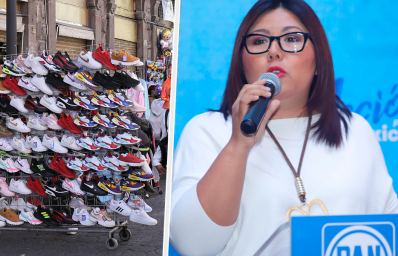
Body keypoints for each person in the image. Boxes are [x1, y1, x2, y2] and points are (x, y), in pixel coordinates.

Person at [169, 0, 398, 255]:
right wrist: (238, 146)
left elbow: (388, 230)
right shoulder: (207, 130)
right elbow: (192, 245)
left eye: (291, 39)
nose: (274, 51)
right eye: (259, 41)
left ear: (319, 58)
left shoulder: (355, 130)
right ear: (241, 60)